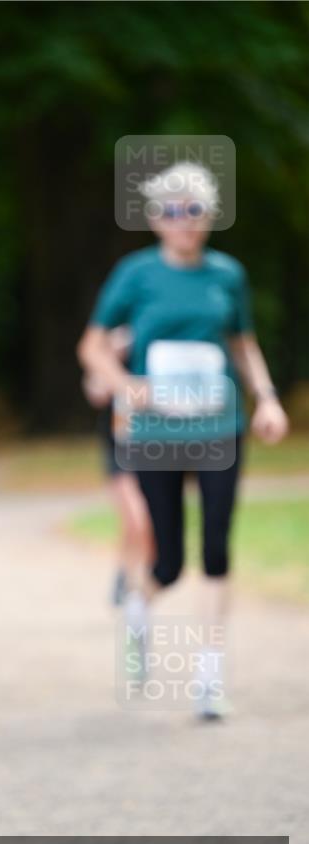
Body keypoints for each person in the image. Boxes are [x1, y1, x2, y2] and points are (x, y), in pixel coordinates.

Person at [78, 161, 288, 720]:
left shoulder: (227, 276)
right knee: (167, 560)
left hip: (220, 424)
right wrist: (126, 385)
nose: (184, 221)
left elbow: (242, 343)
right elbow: (92, 346)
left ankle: (210, 677)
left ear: (211, 216)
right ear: (155, 218)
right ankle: (139, 612)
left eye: (194, 210)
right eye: (172, 211)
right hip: (156, 431)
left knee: (216, 546)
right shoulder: (135, 274)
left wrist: (265, 397)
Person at [81, 326, 154, 606]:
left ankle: (131, 576)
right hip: (120, 450)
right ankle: (130, 584)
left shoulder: (158, 341)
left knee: (147, 524)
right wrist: (111, 356)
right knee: (136, 518)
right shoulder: (113, 344)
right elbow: (95, 392)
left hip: (155, 448)